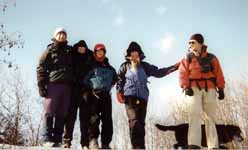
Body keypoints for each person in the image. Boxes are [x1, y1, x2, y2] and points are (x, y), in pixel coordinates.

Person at [116, 41, 179, 149]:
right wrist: (119, 92)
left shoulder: (144, 66)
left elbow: (159, 72)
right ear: (129, 55)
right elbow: (119, 80)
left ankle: (141, 146)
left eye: (136, 53)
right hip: (130, 97)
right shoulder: (125, 66)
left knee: (140, 123)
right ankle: (137, 146)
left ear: (140, 54)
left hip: (143, 98)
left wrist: (175, 67)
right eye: (132, 53)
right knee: (134, 121)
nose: (135, 55)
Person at [179, 33, 225, 149]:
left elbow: (218, 73)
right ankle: (194, 144)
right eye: (189, 42)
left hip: (209, 88)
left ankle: (213, 145)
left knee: (210, 117)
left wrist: (221, 88)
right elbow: (182, 73)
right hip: (193, 89)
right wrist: (186, 87)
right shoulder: (187, 57)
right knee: (194, 115)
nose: (190, 44)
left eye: (192, 42)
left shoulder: (211, 57)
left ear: (200, 43)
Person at [36, 27, 74, 147]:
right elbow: (41, 67)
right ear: (55, 36)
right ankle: (47, 138)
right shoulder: (50, 50)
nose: (62, 36)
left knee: (62, 113)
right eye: (60, 34)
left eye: (64, 34)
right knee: (49, 111)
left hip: (67, 86)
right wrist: (41, 86)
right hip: (53, 84)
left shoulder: (70, 50)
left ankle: (57, 139)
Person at [83, 43, 117, 149]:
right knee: (94, 118)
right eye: (98, 52)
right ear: (95, 53)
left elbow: (115, 79)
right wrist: (88, 91)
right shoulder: (90, 65)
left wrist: (111, 86)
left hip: (106, 95)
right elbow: (84, 80)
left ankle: (106, 143)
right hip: (94, 95)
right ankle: (93, 140)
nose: (100, 53)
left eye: (102, 51)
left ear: (104, 53)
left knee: (107, 119)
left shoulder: (110, 68)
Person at [63, 40, 93, 149]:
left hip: (85, 90)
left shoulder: (89, 57)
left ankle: (85, 143)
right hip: (73, 89)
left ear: (86, 49)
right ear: (77, 48)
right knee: (70, 117)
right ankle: (67, 141)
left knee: (85, 118)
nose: (81, 49)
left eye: (83, 47)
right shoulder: (71, 55)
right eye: (79, 47)